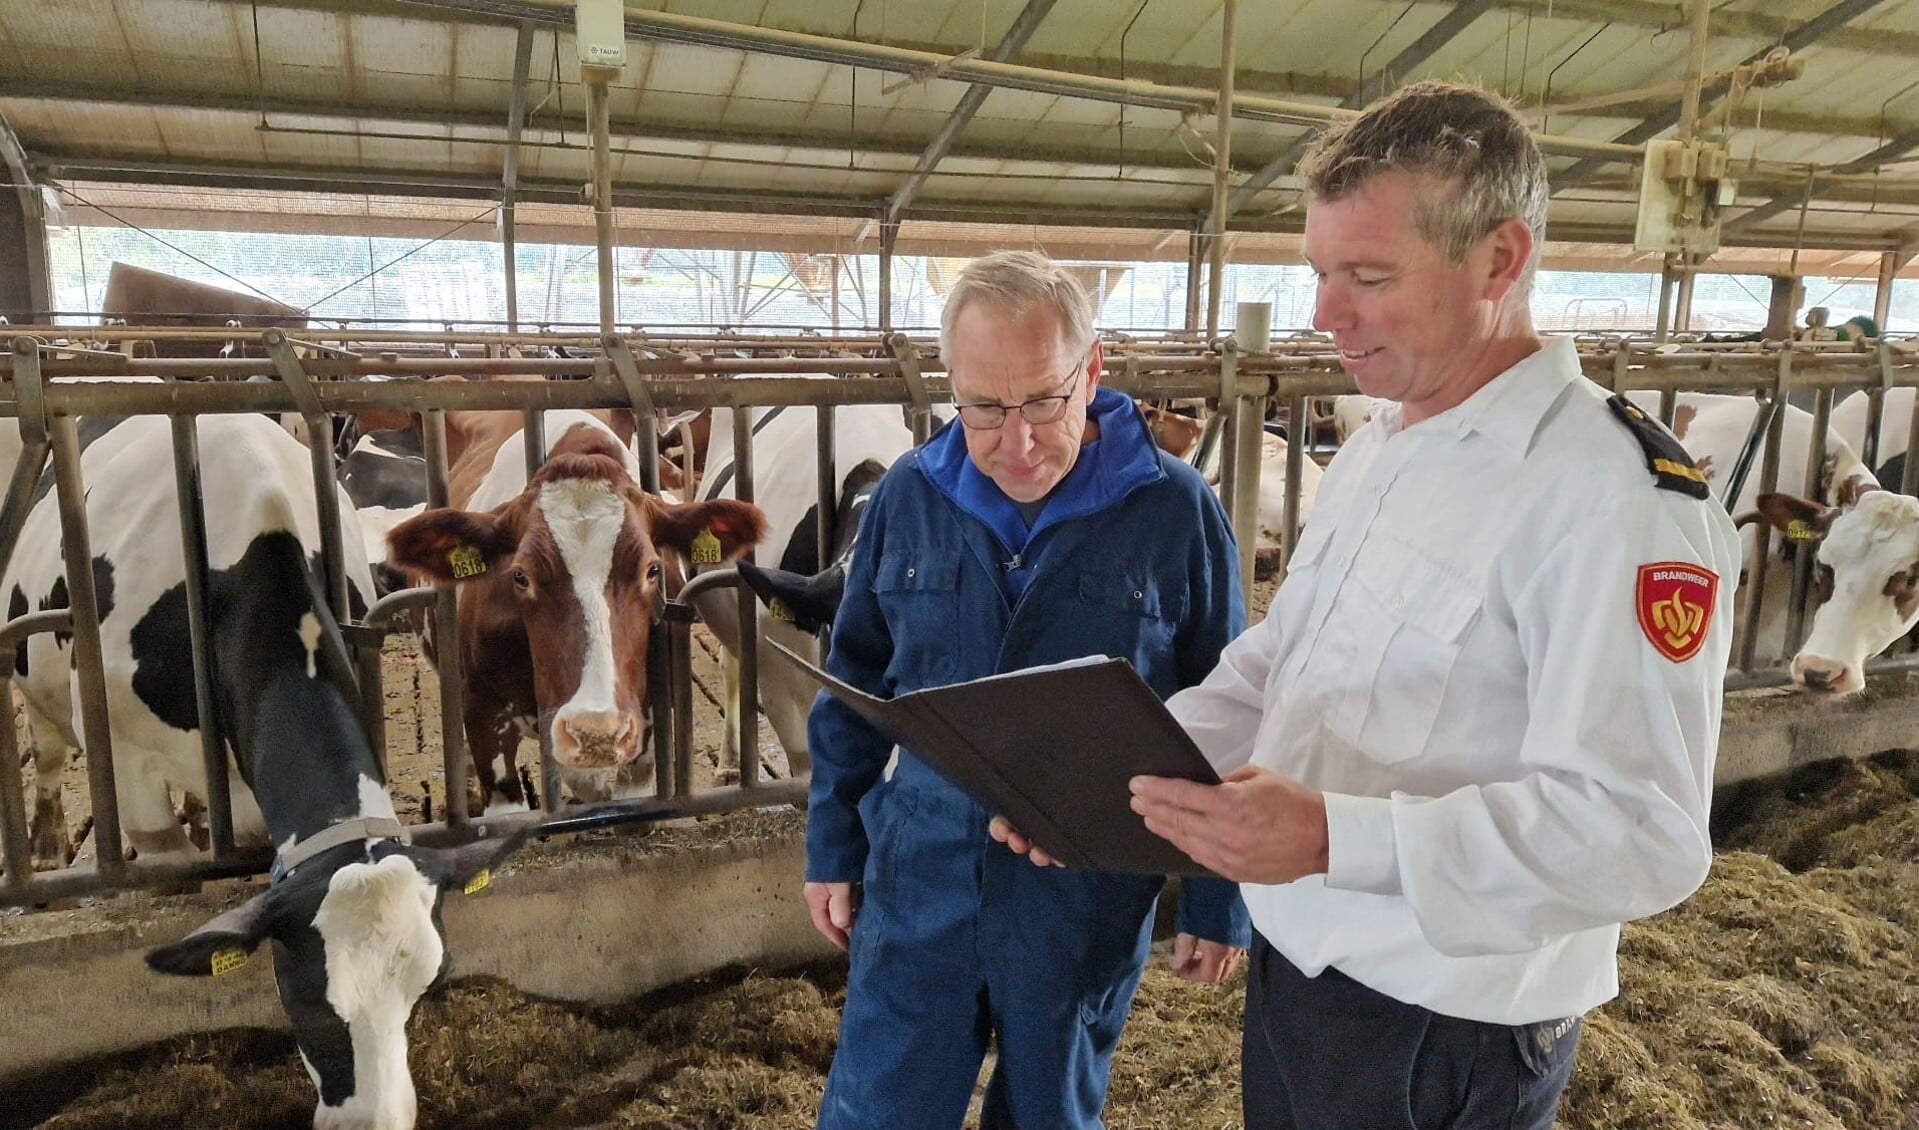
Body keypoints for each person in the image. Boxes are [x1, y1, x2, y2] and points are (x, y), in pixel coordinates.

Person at [1116, 82, 1742, 1127]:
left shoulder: (1611, 497)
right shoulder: (1383, 440)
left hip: (1445, 1025)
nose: (1324, 312)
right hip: (1303, 966)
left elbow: (1639, 831)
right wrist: (1104, 772)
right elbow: (1285, 656)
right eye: (1319, 272)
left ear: (1497, 260)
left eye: (1366, 275)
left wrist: (1332, 838)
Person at [805, 249, 1250, 1129]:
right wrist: (832, 844)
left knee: (1048, 1113)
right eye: (983, 407)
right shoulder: (909, 495)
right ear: (950, 386)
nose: (1017, 440)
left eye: (1044, 399)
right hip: (922, 866)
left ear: (1091, 370)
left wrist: (1216, 893)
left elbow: (1228, 704)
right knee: (877, 1108)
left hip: (1081, 884)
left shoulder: (1175, 509)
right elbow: (853, 674)